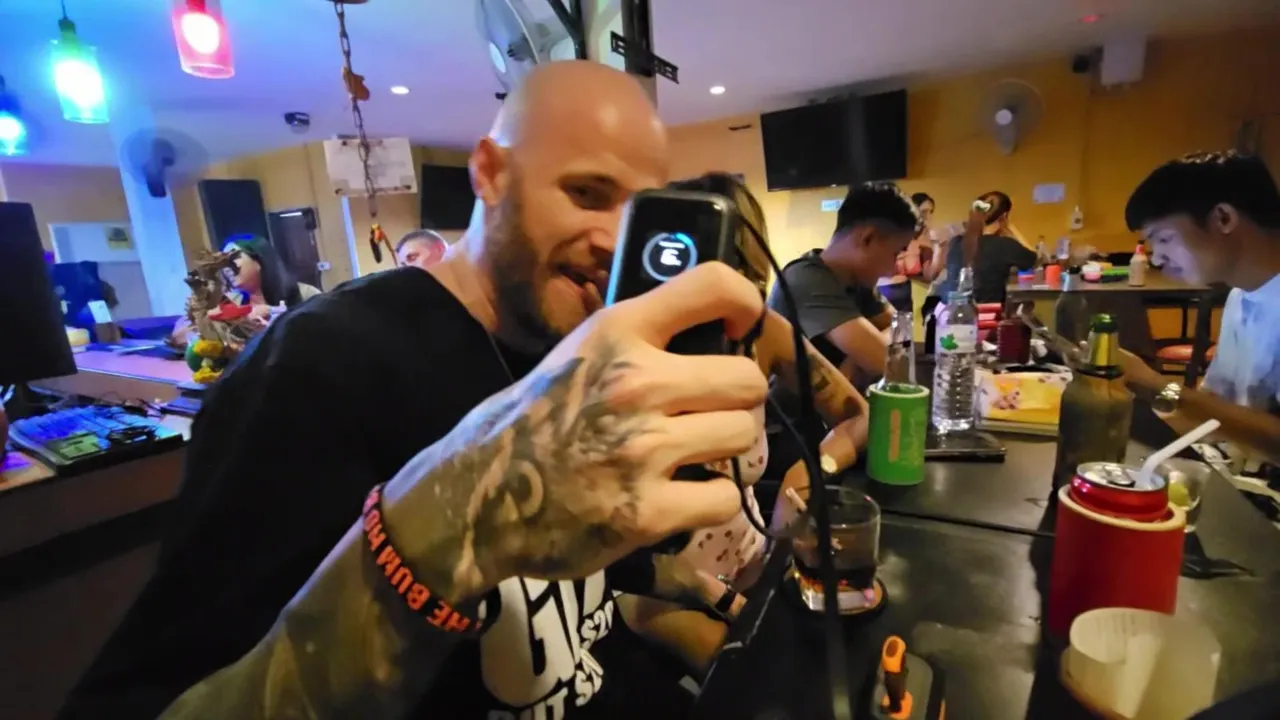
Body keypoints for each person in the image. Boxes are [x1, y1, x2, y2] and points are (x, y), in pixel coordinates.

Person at [59, 60, 746, 720]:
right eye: (587, 193)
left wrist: (697, 585)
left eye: (638, 212)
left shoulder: (570, 349)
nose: (614, 241)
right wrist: (448, 520)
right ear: (490, 172)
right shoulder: (321, 362)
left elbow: (592, 586)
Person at [618, 173, 870, 676]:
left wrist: (808, 472)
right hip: (657, 592)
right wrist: (717, 598)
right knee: (757, 682)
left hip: (757, 560)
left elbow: (858, 415)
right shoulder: (623, 342)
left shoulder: (762, 332)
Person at [1117, 151, 1280, 467]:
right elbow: (1215, 409)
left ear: (1224, 218)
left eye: (1164, 238)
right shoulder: (1240, 296)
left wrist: (1155, 384)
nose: (1157, 258)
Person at [768, 182, 919, 387]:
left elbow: (901, 327)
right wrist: (869, 354)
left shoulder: (856, 280)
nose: (893, 270)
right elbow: (888, 364)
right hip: (791, 408)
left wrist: (854, 360)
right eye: (895, 253)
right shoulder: (806, 278)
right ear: (867, 238)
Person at [939, 191, 1037, 304]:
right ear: (1003, 217)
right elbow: (1033, 259)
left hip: (954, 310)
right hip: (989, 312)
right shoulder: (1004, 245)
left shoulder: (956, 242)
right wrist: (1010, 227)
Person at [222, 234, 322, 308]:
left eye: (233, 257)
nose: (226, 267)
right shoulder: (232, 306)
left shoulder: (306, 294)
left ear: (258, 261)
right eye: (222, 262)